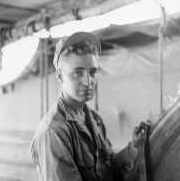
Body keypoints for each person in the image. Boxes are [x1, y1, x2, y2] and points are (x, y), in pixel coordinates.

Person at [28, 32, 141, 181]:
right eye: (78, 72)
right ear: (60, 76)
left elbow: (109, 168)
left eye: (93, 72)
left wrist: (134, 147)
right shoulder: (54, 132)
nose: (88, 81)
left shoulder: (95, 119)